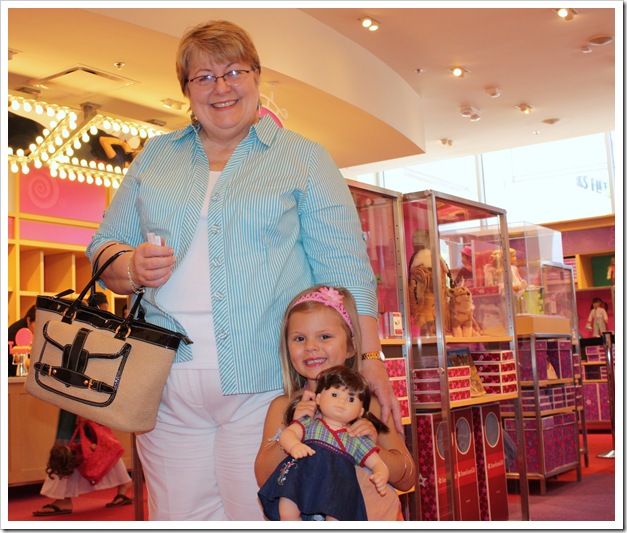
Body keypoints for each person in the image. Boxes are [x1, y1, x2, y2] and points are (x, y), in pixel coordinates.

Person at [85, 20, 398, 521]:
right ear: (187, 90)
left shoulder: (304, 158)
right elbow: (102, 247)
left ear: (256, 75)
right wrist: (129, 265)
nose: (221, 87)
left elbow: (345, 269)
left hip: (266, 382)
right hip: (164, 383)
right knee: (177, 517)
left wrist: (371, 357)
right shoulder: (155, 156)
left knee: (261, 513)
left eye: (233, 71)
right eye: (204, 77)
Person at [255, 286, 414, 521]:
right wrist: (293, 432)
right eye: (299, 338)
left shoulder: (369, 405)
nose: (310, 346)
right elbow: (263, 476)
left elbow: (407, 478)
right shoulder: (284, 406)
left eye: (324, 337)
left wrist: (369, 447)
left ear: (350, 346)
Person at [33, 290, 133, 516]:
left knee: (80, 446)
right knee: (87, 446)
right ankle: (121, 485)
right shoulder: (88, 331)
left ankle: (64, 498)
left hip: (81, 398)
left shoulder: (91, 332)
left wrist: (83, 407)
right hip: (78, 397)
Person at [258, 365, 389, 521]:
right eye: (334, 394)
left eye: (351, 399)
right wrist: (294, 446)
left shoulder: (356, 438)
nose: (341, 402)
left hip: (337, 488)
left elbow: (377, 463)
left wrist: (381, 475)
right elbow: (287, 434)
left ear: (360, 412)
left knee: (337, 518)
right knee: (287, 511)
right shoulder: (310, 423)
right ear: (319, 398)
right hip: (303, 478)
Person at [7, 305, 36, 377]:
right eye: (37, 323)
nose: (39, 327)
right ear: (28, 320)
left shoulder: (31, 330)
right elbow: (19, 359)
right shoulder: (17, 332)